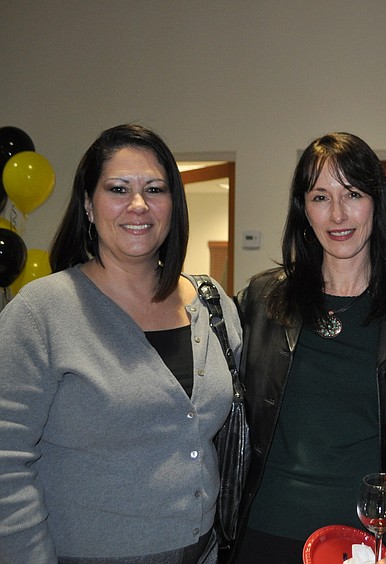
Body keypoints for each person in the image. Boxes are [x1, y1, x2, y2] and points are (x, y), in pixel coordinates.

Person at [0, 124, 241, 562]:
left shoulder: (211, 304)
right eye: (118, 188)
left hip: (204, 550)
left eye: (154, 188)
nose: (138, 205)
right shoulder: (42, 312)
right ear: (88, 205)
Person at [229, 132, 386, 564]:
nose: (338, 214)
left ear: (376, 201)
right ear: (303, 209)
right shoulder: (261, 300)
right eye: (320, 197)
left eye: (353, 194)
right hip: (261, 532)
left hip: (364, 545)